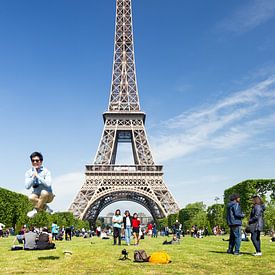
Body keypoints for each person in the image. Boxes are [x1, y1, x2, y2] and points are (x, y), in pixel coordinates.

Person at [25, 152, 54, 218]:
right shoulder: (28, 173)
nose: (35, 162)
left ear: (41, 161)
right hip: (37, 196)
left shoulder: (46, 171)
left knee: (43, 192)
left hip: (48, 196)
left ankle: (35, 210)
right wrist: (33, 177)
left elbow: (48, 184)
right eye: (33, 160)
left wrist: (38, 176)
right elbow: (27, 187)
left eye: (37, 160)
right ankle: (45, 207)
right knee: (30, 198)